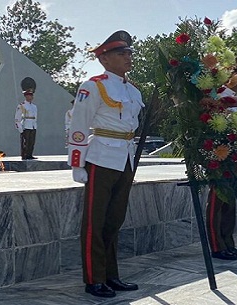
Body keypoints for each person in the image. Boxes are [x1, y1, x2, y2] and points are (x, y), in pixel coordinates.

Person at [67, 30, 144, 298]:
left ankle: (111, 274)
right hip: (100, 157)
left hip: (125, 157)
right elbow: (78, 125)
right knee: (94, 221)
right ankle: (94, 278)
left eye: (129, 53)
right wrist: (77, 163)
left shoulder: (132, 90)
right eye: (121, 53)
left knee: (114, 220)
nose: (128, 57)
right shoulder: (93, 86)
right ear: (105, 59)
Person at [206, 63, 237, 260]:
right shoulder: (218, 94)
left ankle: (228, 242)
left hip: (233, 153)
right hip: (219, 154)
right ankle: (217, 245)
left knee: (230, 202)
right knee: (217, 201)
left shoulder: (235, 97)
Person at [14, 89, 38, 160]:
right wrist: (20, 129)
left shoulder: (34, 106)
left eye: (31, 95)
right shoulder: (22, 106)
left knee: (31, 142)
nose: (31, 97)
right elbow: (17, 118)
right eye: (29, 95)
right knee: (25, 142)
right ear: (26, 96)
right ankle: (24, 155)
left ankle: (30, 154)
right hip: (26, 125)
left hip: (33, 125)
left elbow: (35, 117)